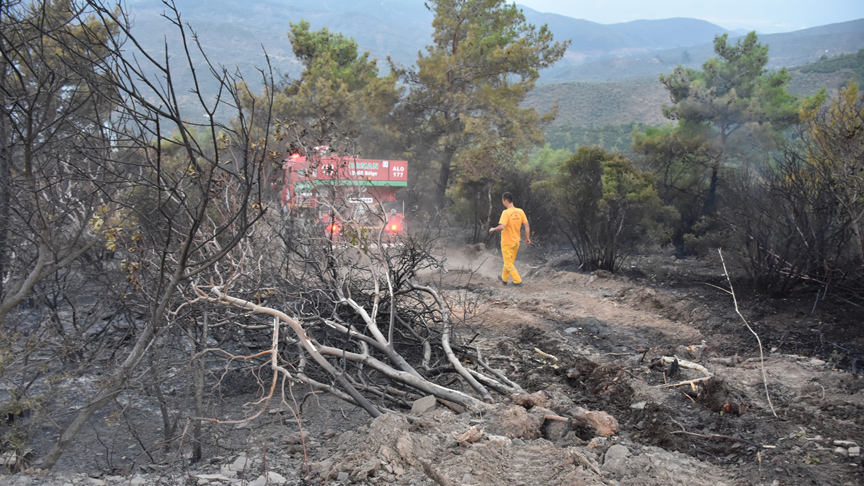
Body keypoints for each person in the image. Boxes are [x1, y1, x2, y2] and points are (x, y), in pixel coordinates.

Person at [489, 192, 530, 286]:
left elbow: (502, 227)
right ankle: (504, 279)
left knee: (508, 264)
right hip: (516, 242)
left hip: (507, 242)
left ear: (505, 200)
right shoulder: (520, 211)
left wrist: (493, 229)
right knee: (509, 262)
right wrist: (527, 238)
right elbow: (526, 225)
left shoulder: (505, 213)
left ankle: (517, 281)